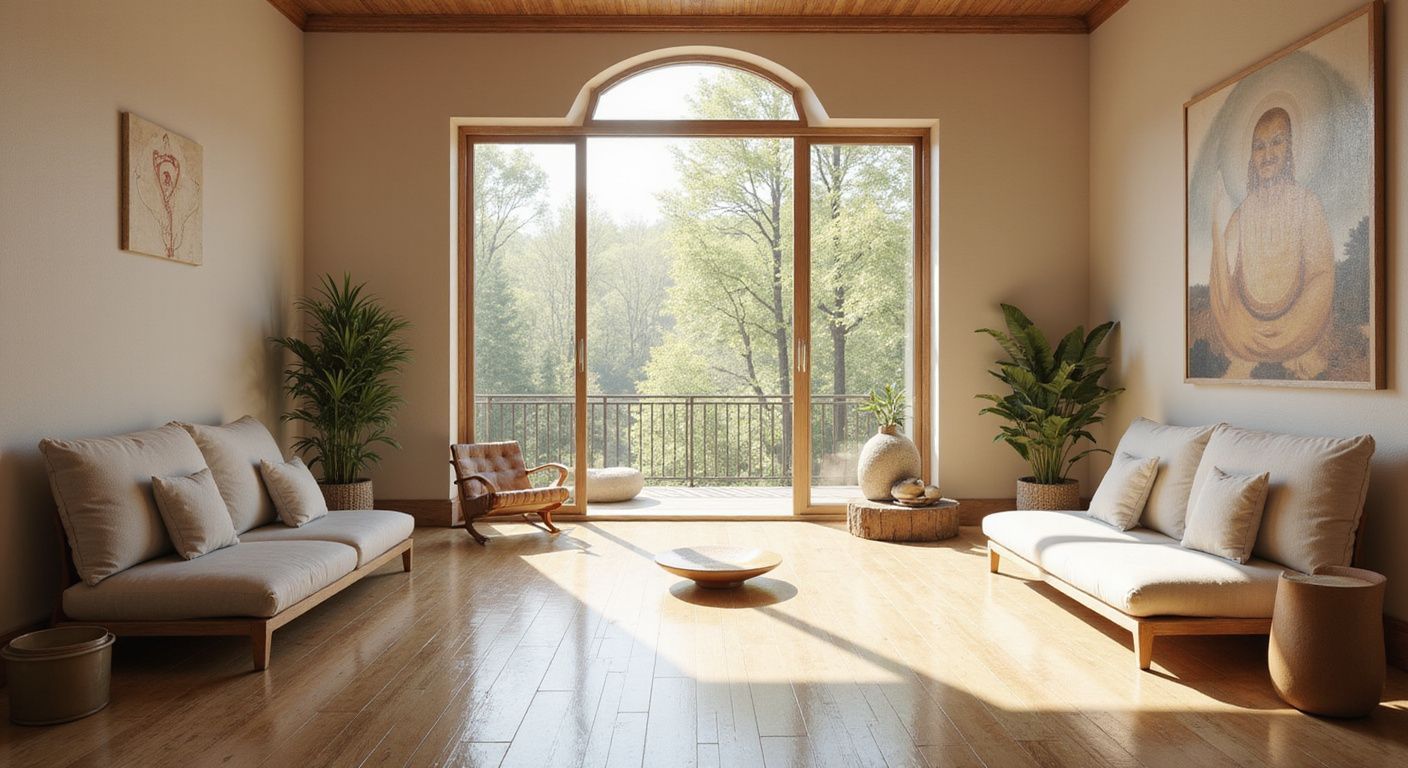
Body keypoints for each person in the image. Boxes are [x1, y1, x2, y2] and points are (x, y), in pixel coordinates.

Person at [1209, 107, 1335, 379]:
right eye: (1259, 146)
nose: (1267, 154)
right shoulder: (1241, 214)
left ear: (1289, 148)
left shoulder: (1307, 203)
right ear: (1251, 156)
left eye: (1276, 142)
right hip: (1247, 330)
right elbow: (1223, 283)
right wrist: (1217, 227)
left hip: (1296, 325)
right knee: (1237, 333)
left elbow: (1322, 276)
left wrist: (1293, 322)